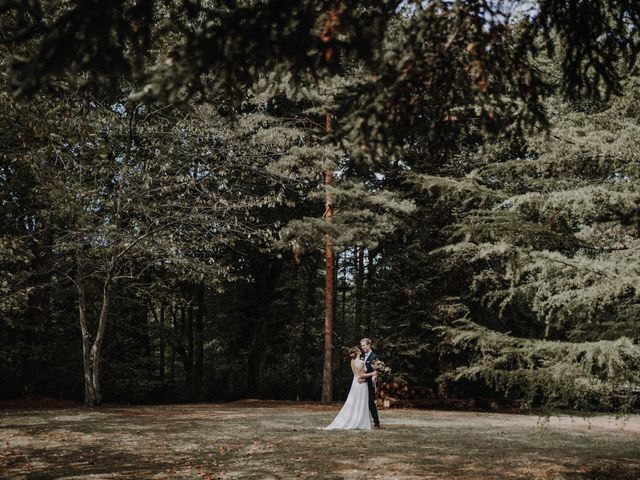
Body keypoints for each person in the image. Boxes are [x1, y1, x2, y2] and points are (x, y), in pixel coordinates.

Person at [323, 347, 378, 430]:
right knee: (361, 403)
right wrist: (373, 373)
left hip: (355, 383)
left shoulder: (352, 361)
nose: (361, 350)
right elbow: (362, 375)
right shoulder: (360, 362)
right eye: (360, 349)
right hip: (361, 384)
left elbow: (356, 374)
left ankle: (355, 419)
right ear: (358, 352)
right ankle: (360, 422)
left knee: (354, 402)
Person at [359, 337, 381, 429]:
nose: (362, 348)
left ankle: (376, 423)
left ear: (368, 345)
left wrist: (368, 379)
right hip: (361, 385)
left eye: (364, 345)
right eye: (361, 346)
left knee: (371, 404)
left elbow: (376, 372)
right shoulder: (362, 356)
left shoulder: (374, 357)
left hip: (369, 384)